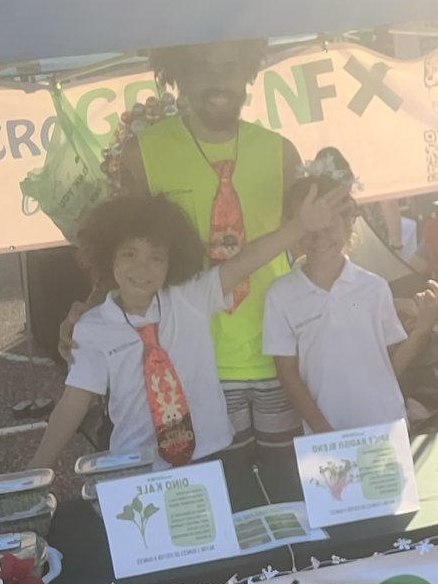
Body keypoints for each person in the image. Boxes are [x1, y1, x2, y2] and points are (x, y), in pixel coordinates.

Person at [58, 41, 349, 468]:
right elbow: (128, 247)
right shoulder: (143, 152)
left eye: (230, 66)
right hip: (196, 368)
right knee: (222, 493)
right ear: (177, 75)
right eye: (201, 67)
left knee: (291, 487)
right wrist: (90, 309)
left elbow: (305, 241)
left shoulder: (281, 152)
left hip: (279, 354)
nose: (218, 80)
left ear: (248, 73)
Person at [30, 185, 339, 471]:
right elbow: (74, 402)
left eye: (156, 258)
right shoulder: (93, 328)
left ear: (172, 263)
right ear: (109, 256)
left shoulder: (191, 298)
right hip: (138, 465)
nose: (142, 267)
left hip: (211, 456)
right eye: (129, 254)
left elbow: (246, 262)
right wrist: (36, 470)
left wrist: (299, 226)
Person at [263, 175, 438, 435]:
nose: (319, 237)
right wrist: (324, 431)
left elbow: (389, 366)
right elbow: (287, 373)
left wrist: (423, 330)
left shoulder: (375, 288)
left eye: (329, 225)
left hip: (386, 427)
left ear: (349, 224)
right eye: (309, 228)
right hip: (324, 436)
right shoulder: (280, 295)